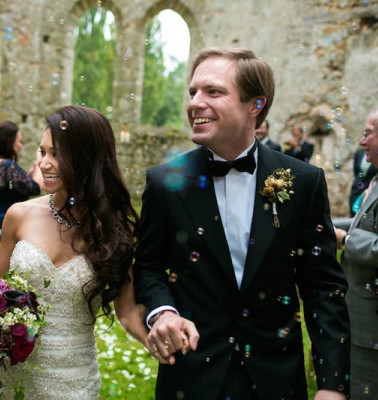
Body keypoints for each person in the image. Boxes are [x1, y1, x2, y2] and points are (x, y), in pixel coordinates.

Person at [132, 47, 350, 400]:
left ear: (255, 105)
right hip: (191, 377)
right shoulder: (164, 182)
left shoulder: (302, 181)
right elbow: (149, 267)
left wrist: (332, 384)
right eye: (193, 92)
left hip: (274, 380)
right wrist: (163, 313)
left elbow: (323, 287)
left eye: (213, 92)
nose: (195, 103)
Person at [0, 105, 150, 399]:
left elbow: (126, 311)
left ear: (87, 159)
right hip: (15, 374)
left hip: (74, 379)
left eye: (57, 154)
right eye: (42, 152)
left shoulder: (114, 230)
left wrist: (154, 340)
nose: (44, 164)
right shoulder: (19, 215)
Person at [334, 103, 378, 400]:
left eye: (368, 133)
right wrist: (323, 223)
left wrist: (345, 240)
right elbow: (370, 223)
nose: (362, 141)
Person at [0, 121, 42, 280]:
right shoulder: (8, 165)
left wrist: (27, 176)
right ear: (10, 142)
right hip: (0, 233)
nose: (20, 146)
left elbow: (13, 190)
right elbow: (35, 188)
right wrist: (41, 161)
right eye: (18, 141)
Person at [348, 147, 378, 217]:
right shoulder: (359, 153)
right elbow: (356, 171)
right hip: (356, 190)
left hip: (370, 190)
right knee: (353, 214)